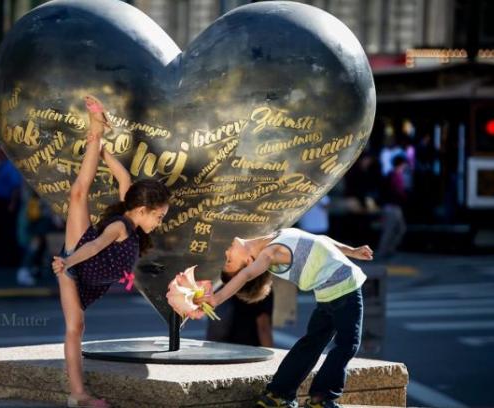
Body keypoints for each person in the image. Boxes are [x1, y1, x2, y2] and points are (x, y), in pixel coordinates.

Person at [51, 95, 171, 408]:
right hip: (76, 265)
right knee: (78, 194)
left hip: (94, 280)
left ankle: (97, 132)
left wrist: (103, 150)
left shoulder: (133, 218)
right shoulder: (119, 227)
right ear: (143, 210)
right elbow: (93, 246)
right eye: (158, 217)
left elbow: (124, 178)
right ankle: (78, 395)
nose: (159, 223)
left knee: (80, 193)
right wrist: (66, 261)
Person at [196, 228, 373, 408]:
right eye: (229, 260)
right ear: (249, 261)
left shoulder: (273, 236)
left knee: (311, 344)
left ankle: (278, 394)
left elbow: (320, 239)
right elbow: (246, 275)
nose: (226, 252)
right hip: (344, 288)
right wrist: (216, 298)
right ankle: (321, 397)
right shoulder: (270, 253)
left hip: (327, 294)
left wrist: (352, 251)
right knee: (347, 344)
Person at [377, 155, 408, 258]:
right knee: (389, 230)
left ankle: (389, 250)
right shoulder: (393, 176)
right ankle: (383, 252)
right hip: (391, 207)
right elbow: (396, 192)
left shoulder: (395, 175)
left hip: (395, 207)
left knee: (400, 229)